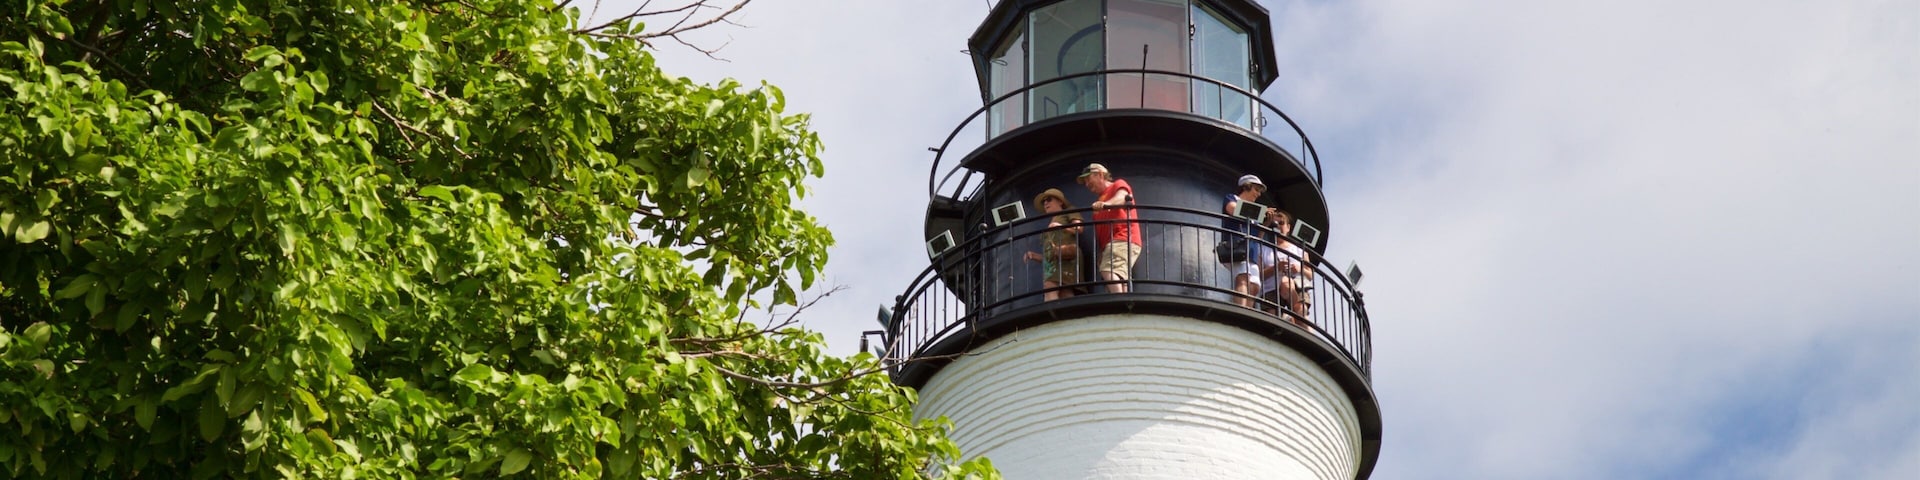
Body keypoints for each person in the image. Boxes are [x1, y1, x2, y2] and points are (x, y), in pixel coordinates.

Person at [1077, 163, 1141, 293]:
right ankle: (1125, 300)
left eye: (1088, 179)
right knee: (1120, 274)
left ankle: (1120, 301)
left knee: (1108, 270)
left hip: (1123, 237)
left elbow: (1122, 197)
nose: (1087, 184)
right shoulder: (1099, 203)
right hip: (1112, 244)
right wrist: (1101, 251)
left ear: (1100, 175)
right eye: (1085, 181)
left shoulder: (1117, 185)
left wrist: (1106, 204)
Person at [1221, 175, 1276, 308]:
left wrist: (1266, 223)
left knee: (1255, 286)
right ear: (1246, 186)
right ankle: (1240, 311)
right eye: (1256, 189)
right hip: (1236, 247)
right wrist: (1259, 212)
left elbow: (1258, 236)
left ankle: (1246, 310)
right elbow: (1233, 209)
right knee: (1243, 278)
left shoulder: (1253, 213)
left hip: (1250, 252)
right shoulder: (1232, 198)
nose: (1258, 194)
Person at [1023, 188, 1084, 301]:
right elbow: (1049, 255)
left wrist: (1061, 227)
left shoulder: (1068, 211)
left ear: (1060, 201)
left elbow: (1079, 228)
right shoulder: (1051, 222)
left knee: (1049, 286)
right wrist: (1034, 256)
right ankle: (1068, 315)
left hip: (1066, 257)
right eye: (1044, 201)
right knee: (1065, 291)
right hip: (1054, 262)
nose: (1046, 203)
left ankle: (1051, 310)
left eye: (1049, 199)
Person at [1261, 209, 1314, 328]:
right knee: (1272, 322)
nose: (1278, 227)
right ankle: (1295, 319)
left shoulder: (1299, 250)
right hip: (1271, 289)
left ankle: (1293, 316)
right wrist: (1276, 267)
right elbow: (1260, 275)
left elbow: (1310, 275)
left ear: (1288, 227)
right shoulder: (1264, 249)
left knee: (1286, 283)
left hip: (1297, 287)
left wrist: (1299, 268)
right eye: (1275, 224)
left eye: (1281, 223)